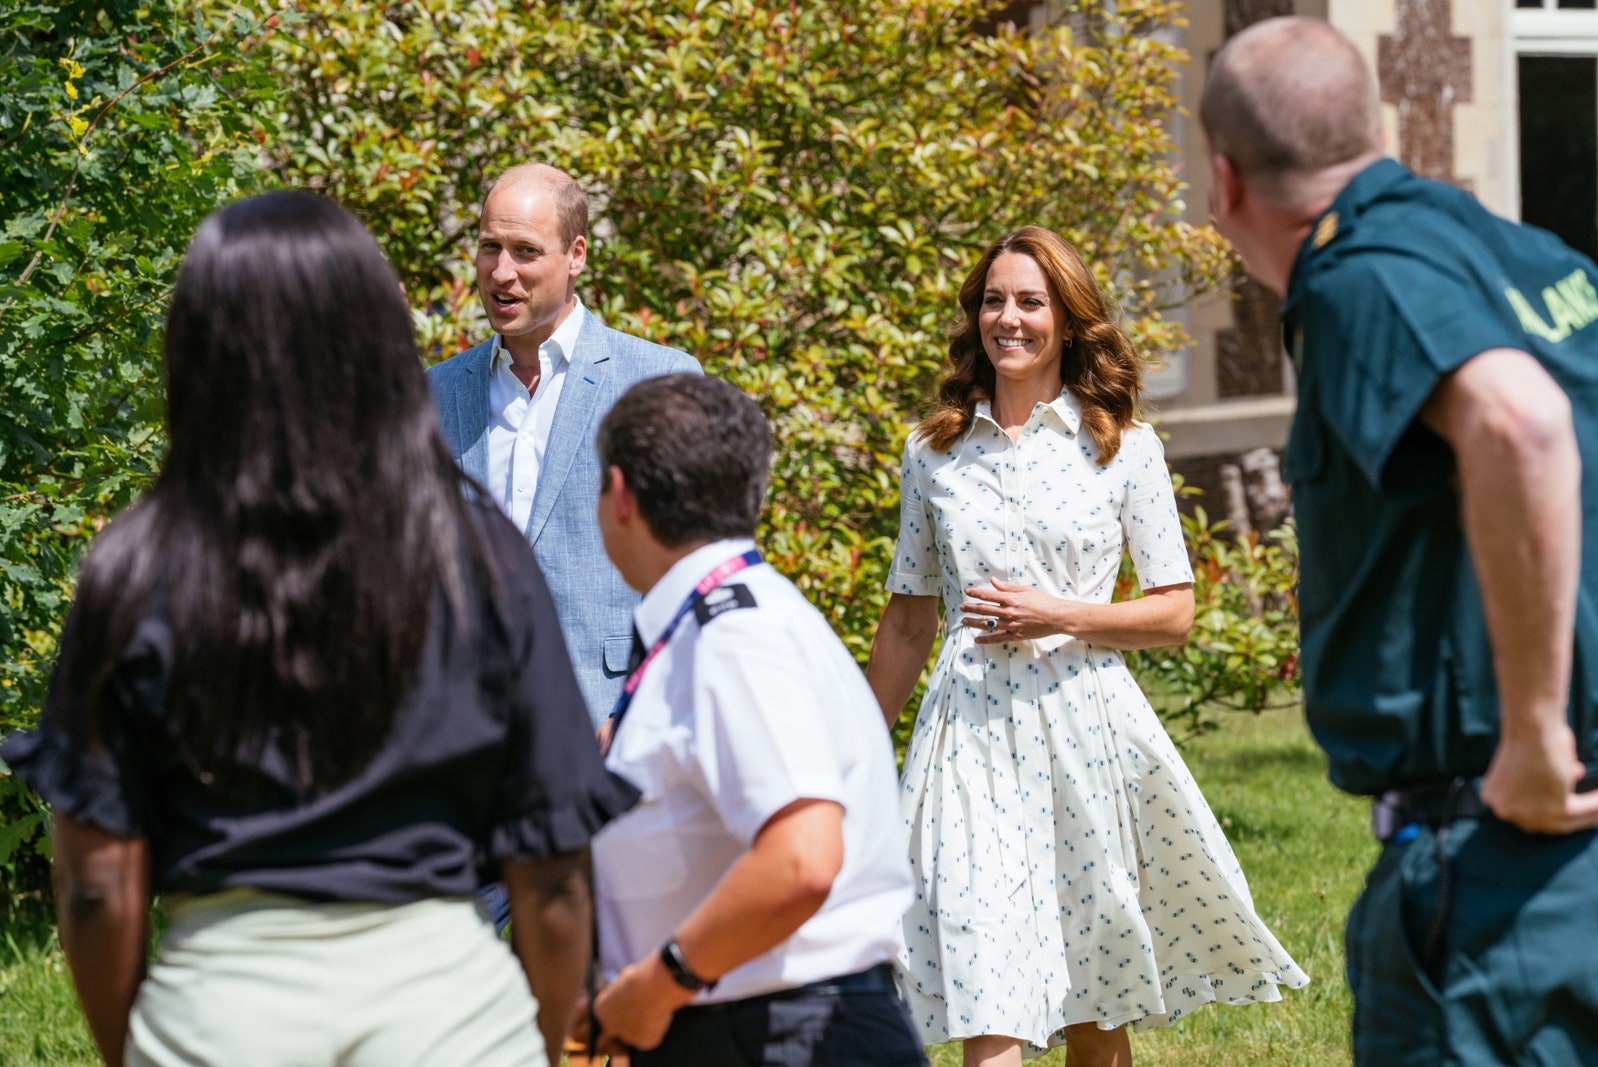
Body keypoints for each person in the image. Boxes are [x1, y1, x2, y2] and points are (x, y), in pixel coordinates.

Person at [0, 192, 639, 1067]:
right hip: (447, 1013)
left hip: (224, 1011)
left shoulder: (138, 563)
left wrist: (133, 1049)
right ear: (375, 337)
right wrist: (523, 1039)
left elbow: (97, 885)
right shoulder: (474, 547)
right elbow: (554, 869)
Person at [1200, 16, 1598, 1065]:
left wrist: (1532, 731)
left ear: (1224, 181)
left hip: (1502, 876)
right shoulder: (1526, 256)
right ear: (1368, 131)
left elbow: (1519, 424)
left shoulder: (1360, 277)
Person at [866, 226, 1308, 1067]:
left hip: (1083, 729)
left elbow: (1173, 612)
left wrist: (1058, 613)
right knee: (984, 977)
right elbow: (907, 620)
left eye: (1031, 301)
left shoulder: (1124, 446)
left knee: (1092, 997)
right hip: (968, 738)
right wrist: (851, 750)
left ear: (1067, 321)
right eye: (994, 299)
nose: (1010, 318)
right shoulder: (932, 454)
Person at [572, 374, 926, 1067]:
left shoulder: (733, 637)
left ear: (619, 496)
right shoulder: (716, 622)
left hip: (778, 1032)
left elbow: (800, 856)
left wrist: (658, 981)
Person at [426, 163, 701, 730]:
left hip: (606, 728)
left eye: (525, 251)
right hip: (464, 732)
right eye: (488, 248)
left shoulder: (660, 381)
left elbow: (696, 571)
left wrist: (637, 716)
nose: (501, 273)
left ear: (576, 254)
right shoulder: (432, 394)